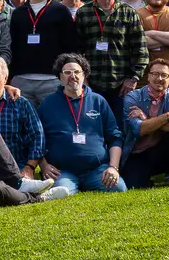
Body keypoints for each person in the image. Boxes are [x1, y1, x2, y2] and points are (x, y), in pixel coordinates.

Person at [38, 54, 124, 194]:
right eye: (67, 72)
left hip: (97, 170)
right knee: (62, 192)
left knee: (119, 188)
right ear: (60, 77)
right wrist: (43, 165)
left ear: (84, 75)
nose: (73, 76)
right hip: (63, 171)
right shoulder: (48, 103)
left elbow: (115, 137)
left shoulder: (98, 101)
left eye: (77, 72)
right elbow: (36, 139)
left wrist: (113, 167)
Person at [9, 0, 82, 104]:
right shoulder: (18, 13)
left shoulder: (61, 11)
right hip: (22, 82)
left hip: (52, 81)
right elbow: (12, 46)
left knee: (51, 123)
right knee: (24, 124)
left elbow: (71, 47)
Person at [76, 0, 146, 108]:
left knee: (119, 128)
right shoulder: (83, 13)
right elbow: (76, 50)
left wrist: (133, 78)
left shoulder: (129, 13)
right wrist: (82, 78)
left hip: (121, 87)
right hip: (91, 84)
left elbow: (141, 50)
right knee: (93, 126)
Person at [121, 59, 169, 188]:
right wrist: (168, 116)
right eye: (155, 74)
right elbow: (139, 130)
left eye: (164, 75)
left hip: (162, 149)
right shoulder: (132, 97)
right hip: (138, 152)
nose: (159, 78)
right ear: (148, 77)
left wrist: (146, 120)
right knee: (134, 185)